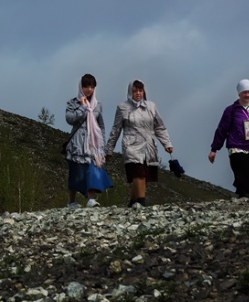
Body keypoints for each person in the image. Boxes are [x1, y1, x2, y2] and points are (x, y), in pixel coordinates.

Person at [106, 80, 174, 207]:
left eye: (140, 90)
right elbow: (116, 130)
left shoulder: (151, 106)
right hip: (131, 145)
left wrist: (167, 143)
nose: (138, 93)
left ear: (144, 91)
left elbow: (159, 127)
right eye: (135, 90)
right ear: (130, 91)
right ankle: (142, 203)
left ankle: (132, 202)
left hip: (148, 145)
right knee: (139, 174)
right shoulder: (122, 107)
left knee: (144, 175)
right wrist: (109, 149)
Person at [208, 79, 249, 198]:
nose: (247, 95)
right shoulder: (231, 110)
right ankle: (242, 195)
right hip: (236, 147)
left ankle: (244, 201)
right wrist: (214, 149)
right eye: (244, 92)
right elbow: (221, 130)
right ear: (239, 93)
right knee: (241, 174)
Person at [64, 73, 111, 208]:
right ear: (81, 87)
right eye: (86, 86)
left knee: (93, 169)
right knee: (76, 173)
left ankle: (91, 199)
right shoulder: (73, 103)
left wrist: (103, 144)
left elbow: (100, 125)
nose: (89, 89)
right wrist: (83, 108)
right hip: (77, 143)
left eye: (91, 86)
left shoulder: (98, 105)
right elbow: (69, 119)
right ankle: (71, 201)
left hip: (93, 144)